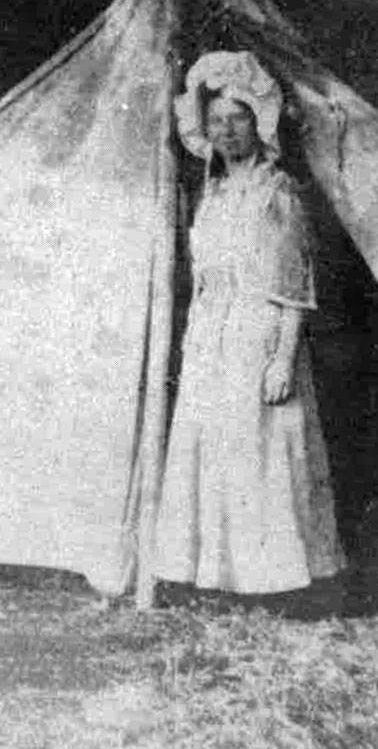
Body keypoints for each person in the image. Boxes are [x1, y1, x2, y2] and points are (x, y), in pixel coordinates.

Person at [153, 50, 345, 595]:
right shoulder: (209, 196)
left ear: (257, 123)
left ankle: (275, 578)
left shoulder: (276, 193)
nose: (227, 130)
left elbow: (293, 289)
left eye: (238, 118)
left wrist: (282, 358)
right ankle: (217, 574)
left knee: (257, 453)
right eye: (217, 121)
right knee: (213, 450)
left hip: (257, 337)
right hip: (211, 337)